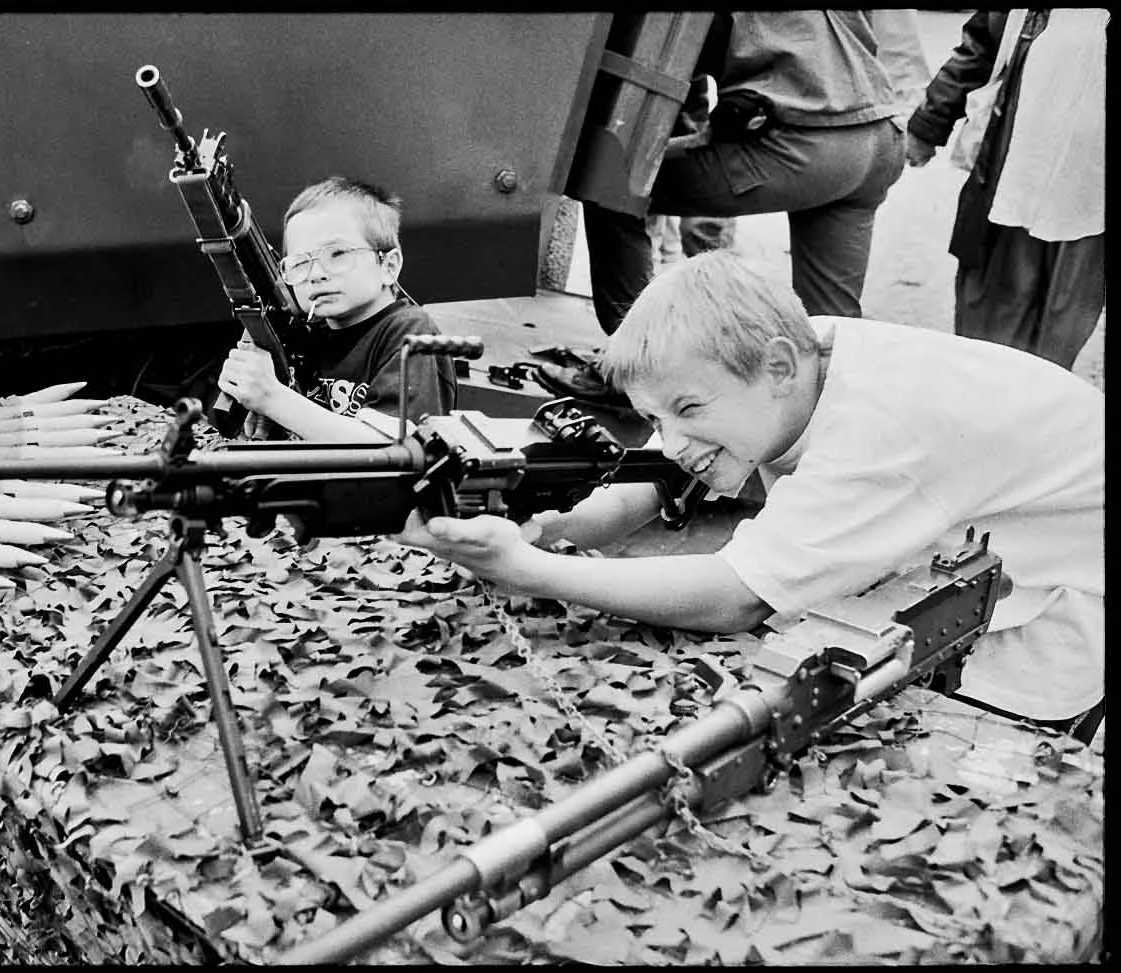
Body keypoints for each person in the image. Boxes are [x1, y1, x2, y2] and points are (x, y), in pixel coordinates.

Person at [398, 251, 1104, 741]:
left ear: (775, 366)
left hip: (1049, 621)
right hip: (979, 557)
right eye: (655, 417)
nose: (672, 438)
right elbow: (663, 475)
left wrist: (527, 570)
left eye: (687, 411)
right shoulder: (787, 362)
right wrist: (552, 523)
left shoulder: (879, 434)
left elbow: (737, 596)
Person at [540, 10, 910, 402]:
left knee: (610, 183)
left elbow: (665, 55)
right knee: (831, 326)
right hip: (879, 139)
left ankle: (634, 372)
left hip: (806, 144)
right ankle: (838, 421)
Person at [904, 9, 1106, 371]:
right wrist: (930, 121)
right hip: (1016, 166)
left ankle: (1041, 405)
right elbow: (981, 42)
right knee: (992, 316)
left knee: (1062, 323)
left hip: (1091, 191)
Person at [216, 177, 458, 441]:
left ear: (388, 266)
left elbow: (391, 448)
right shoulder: (307, 336)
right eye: (299, 263)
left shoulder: (411, 332)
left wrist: (273, 398)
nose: (316, 274)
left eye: (338, 254)